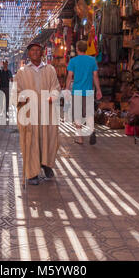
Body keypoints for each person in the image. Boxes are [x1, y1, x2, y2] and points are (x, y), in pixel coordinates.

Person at [14, 43, 61, 186]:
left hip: (47, 111)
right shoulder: (22, 72)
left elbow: (56, 87)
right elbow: (16, 92)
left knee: (49, 139)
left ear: (42, 52)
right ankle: (32, 173)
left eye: (37, 50)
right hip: (29, 113)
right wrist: (23, 99)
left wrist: (53, 96)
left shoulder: (50, 69)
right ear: (28, 53)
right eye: (32, 50)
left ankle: (46, 165)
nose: (35, 52)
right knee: (30, 141)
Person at [65, 40, 103, 145]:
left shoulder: (73, 61)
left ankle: (80, 138)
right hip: (89, 91)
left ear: (77, 49)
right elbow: (95, 76)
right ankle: (92, 130)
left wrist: (67, 90)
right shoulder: (92, 60)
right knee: (89, 114)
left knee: (77, 115)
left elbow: (69, 77)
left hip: (76, 91)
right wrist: (98, 90)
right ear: (86, 49)